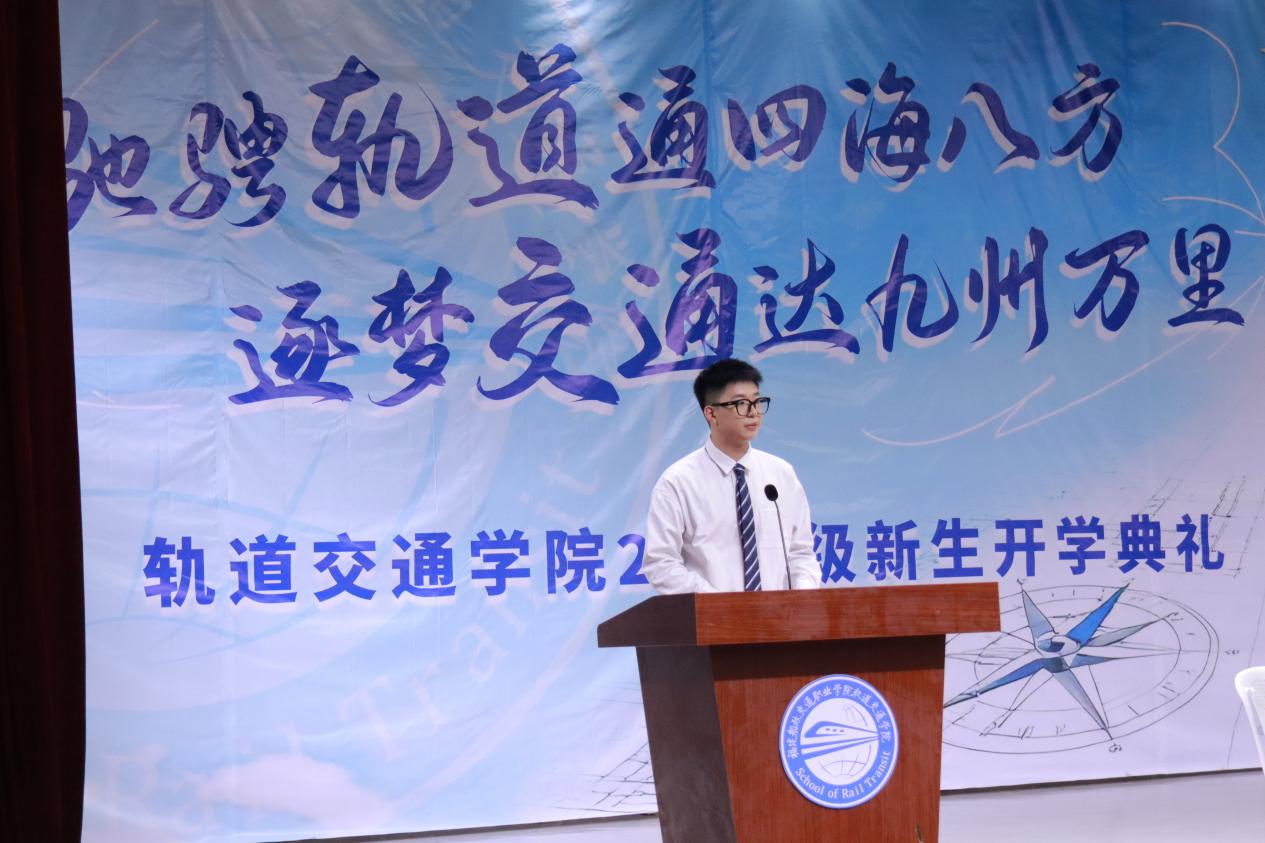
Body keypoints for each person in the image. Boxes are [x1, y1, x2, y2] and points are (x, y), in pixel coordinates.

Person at [643, 358, 822, 594]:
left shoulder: (781, 475)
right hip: (712, 614)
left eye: (757, 401)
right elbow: (661, 564)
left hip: (780, 615)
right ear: (711, 413)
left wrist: (803, 598)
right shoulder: (678, 482)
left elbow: (801, 552)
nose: (753, 412)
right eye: (741, 403)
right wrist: (721, 605)